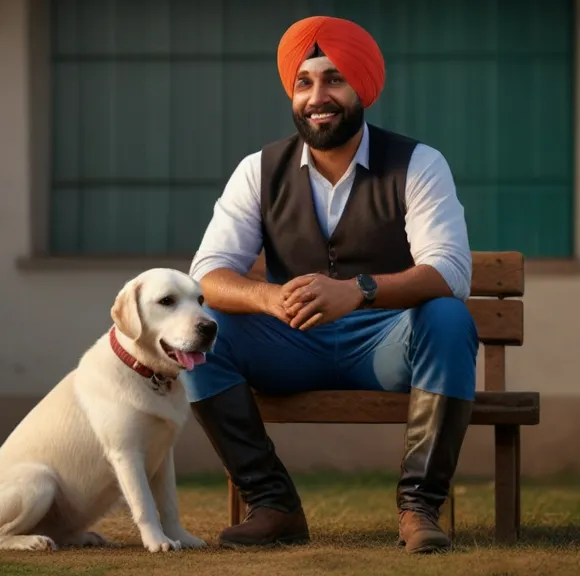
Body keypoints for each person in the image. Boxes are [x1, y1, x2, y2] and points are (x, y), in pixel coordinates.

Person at [181, 15, 478, 554]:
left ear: (361, 87)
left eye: (334, 79)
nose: (318, 96)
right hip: (290, 342)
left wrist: (359, 290)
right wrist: (269, 297)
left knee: (450, 315)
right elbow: (207, 274)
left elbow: (451, 272)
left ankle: (419, 509)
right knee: (203, 332)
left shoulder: (418, 163)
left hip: (387, 344)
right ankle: (273, 505)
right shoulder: (258, 170)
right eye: (304, 82)